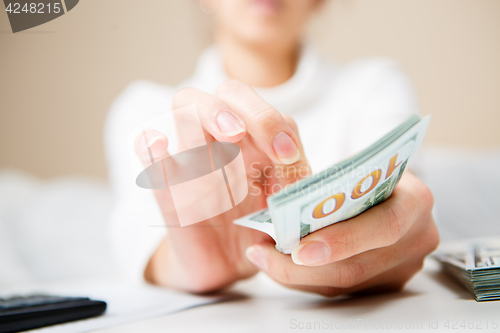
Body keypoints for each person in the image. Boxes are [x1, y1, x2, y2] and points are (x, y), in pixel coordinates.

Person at [105, 0, 439, 296]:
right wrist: (192, 264)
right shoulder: (144, 109)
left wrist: (401, 225)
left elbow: (409, 206)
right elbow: (136, 242)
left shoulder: (373, 87)